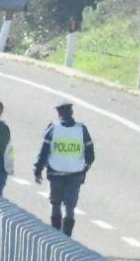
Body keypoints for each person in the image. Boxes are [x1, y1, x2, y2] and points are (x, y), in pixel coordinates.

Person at [33, 100, 95, 237]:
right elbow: (90, 152)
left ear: (59, 113)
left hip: (56, 172)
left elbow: (43, 151)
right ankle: (67, 237)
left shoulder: (53, 128)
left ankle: (56, 235)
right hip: (76, 173)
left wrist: (38, 170)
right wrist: (85, 168)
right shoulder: (81, 129)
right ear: (71, 112)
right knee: (70, 207)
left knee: (55, 203)